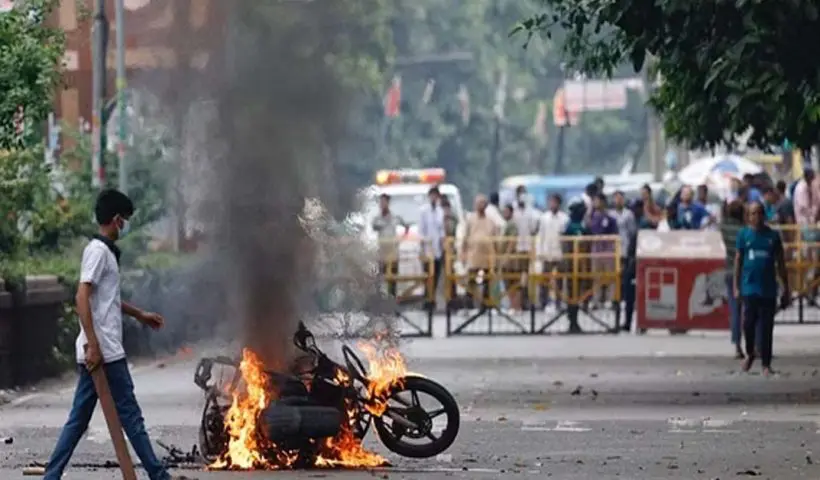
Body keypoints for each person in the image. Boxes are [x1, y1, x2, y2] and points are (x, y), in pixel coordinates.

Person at [44, 189, 175, 480]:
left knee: (79, 420)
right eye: (124, 220)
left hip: (100, 349)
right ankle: (158, 474)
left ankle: (51, 476)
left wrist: (139, 314)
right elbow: (82, 296)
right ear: (116, 220)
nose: (124, 226)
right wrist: (93, 344)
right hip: (104, 352)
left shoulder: (102, 252)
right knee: (130, 416)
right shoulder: (98, 252)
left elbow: (106, 300)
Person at [734, 201, 791, 375]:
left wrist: (786, 288)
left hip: (768, 290)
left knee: (766, 328)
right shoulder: (744, 235)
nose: (757, 217)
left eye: (759, 213)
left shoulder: (773, 236)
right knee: (748, 324)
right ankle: (750, 352)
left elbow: (780, 263)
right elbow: (738, 261)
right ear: (748, 217)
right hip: (749, 288)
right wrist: (736, 286)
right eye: (753, 213)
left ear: (764, 215)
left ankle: (766, 363)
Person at [460, 194, 500, 310]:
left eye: (483, 203)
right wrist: (463, 253)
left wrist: (496, 256)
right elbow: (465, 237)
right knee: (471, 280)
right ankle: (468, 305)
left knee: (487, 281)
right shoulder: (470, 219)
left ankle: (485, 305)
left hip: (487, 256)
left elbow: (495, 238)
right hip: (474, 255)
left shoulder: (490, 221)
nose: (480, 205)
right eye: (478, 203)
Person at [720, 199, 746, 358]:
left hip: (729, 271)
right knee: (751, 310)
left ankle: (737, 345)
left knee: (735, 310)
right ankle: (755, 344)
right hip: (745, 272)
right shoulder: (744, 231)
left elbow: (722, 219)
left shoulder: (724, 228)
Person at [536, 193, 569, 309]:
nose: (552, 204)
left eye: (554, 202)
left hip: (559, 253)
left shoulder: (564, 219)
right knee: (544, 279)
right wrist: (539, 252)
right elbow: (541, 236)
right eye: (551, 202)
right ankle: (542, 302)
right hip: (547, 252)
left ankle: (558, 302)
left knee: (559, 280)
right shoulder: (544, 218)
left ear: (559, 204)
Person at [372, 193, 408, 298]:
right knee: (380, 278)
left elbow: (406, 226)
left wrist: (400, 240)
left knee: (392, 279)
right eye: (381, 202)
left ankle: (392, 300)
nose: (382, 204)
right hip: (382, 252)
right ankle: (380, 300)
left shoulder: (395, 218)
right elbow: (374, 227)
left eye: (384, 202)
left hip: (393, 252)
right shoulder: (377, 219)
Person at [588, 193, 619, 305]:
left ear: (603, 202)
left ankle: (610, 299)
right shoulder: (592, 216)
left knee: (610, 275)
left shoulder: (610, 217)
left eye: (597, 201)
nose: (595, 203)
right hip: (596, 249)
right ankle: (597, 299)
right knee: (596, 276)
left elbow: (614, 232)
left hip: (608, 249)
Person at [419, 186, 445, 310]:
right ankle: (426, 299)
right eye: (432, 195)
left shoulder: (440, 211)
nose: (434, 198)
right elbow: (421, 230)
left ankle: (432, 298)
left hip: (438, 249)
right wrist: (422, 246)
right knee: (427, 275)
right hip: (427, 249)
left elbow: (442, 230)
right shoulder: (424, 211)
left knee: (436, 275)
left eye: (436, 195)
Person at [499, 204, 522, 311]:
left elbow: (512, 241)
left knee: (512, 282)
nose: (504, 214)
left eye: (506, 211)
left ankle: (515, 306)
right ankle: (513, 306)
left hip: (511, 259)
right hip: (506, 257)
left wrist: (506, 257)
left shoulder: (512, 225)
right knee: (508, 283)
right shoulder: (506, 224)